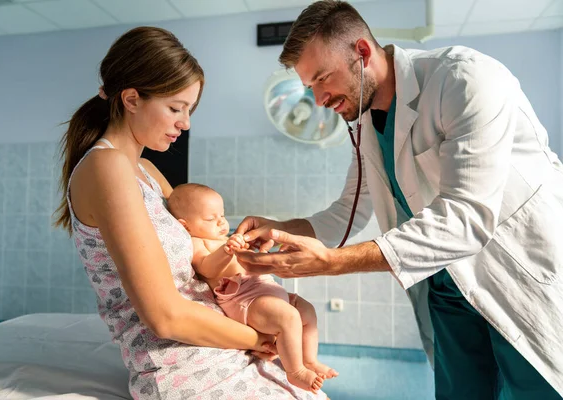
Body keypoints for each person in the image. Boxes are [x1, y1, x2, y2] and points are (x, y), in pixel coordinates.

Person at [234, 1, 563, 399]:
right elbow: (344, 214)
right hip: (447, 292)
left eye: (323, 79)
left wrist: (332, 264)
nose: (319, 99)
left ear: (362, 52)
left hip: (515, 276)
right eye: (311, 87)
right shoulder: (368, 123)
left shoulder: (465, 79)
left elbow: (466, 218)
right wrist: (278, 229)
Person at [54, 26, 327, 400]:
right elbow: (164, 317)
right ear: (132, 99)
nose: (186, 123)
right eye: (175, 108)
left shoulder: (146, 173)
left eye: (189, 109)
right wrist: (260, 337)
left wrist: (244, 251)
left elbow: (198, 244)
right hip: (185, 365)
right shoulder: (108, 168)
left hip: (221, 343)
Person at [167, 183, 337, 393]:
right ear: (185, 226)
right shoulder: (198, 242)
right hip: (245, 299)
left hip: (264, 288)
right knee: (289, 318)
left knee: (307, 310)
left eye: (222, 215)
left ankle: (309, 360)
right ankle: (295, 372)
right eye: (211, 219)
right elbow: (207, 268)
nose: (221, 222)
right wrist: (227, 251)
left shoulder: (222, 237)